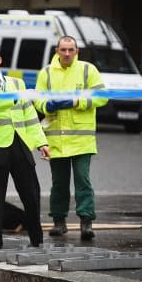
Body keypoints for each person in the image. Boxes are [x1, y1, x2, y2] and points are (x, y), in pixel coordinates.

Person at [0, 45, 50, 250]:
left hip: (20, 144)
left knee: (31, 195)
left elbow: (30, 116)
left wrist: (41, 142)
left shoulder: (17, 82)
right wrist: (16, 96)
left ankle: (37, 240)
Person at [34, 35, 108, 240]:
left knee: (82, 180)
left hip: (81, 140)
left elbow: (102, 96)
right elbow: (37, 100)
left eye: (71, 50)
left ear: (77, 51)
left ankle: (86, 222)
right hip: (57, 140)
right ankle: (59, 221)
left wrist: (77, 101)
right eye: (63, 49)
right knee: (59, 183)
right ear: (57, 50)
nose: (67, 53)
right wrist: (45, 106)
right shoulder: (46, 73)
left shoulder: (88, 70)